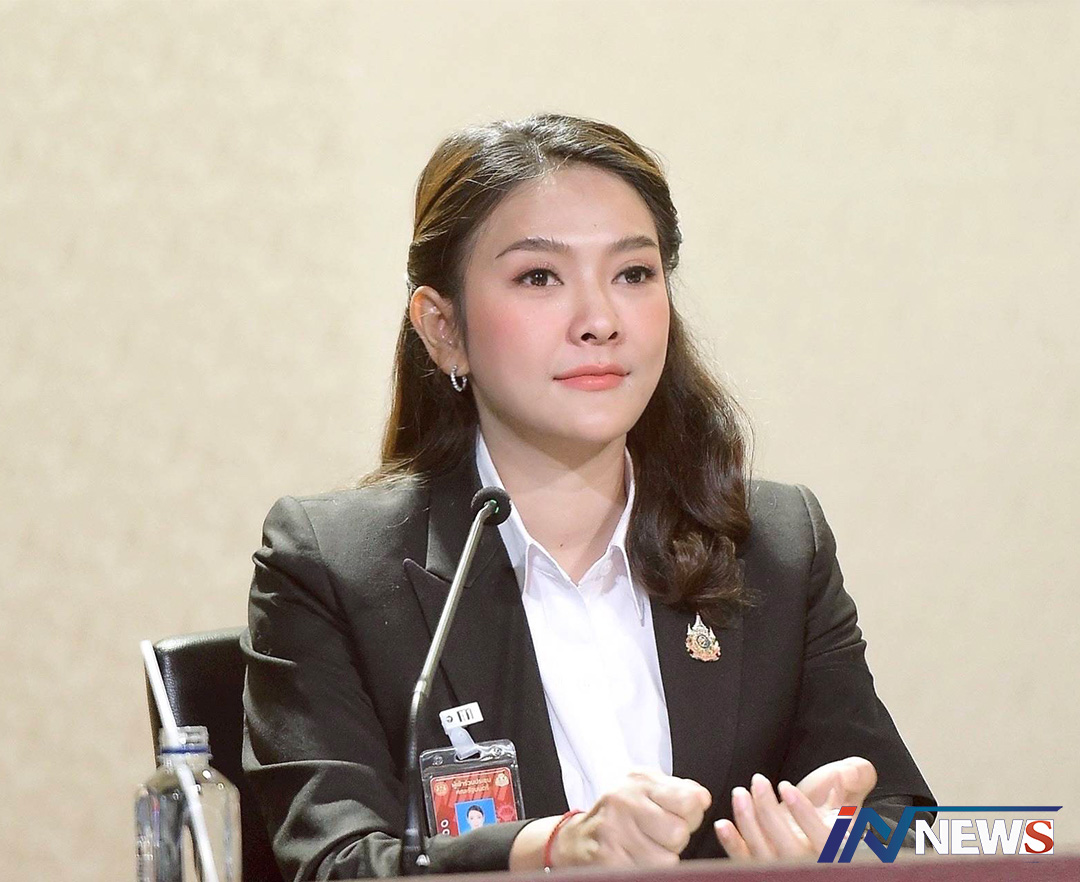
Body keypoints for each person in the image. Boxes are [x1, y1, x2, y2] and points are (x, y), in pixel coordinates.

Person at [241, 113, 934, 880]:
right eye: (540, 277)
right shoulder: (333, 567)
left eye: (633, 274)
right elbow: (336, 864)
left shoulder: (774, 543)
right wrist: (552, 848)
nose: (601, 321)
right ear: (443, 329)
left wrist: (840, 848)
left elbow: (914, 830)